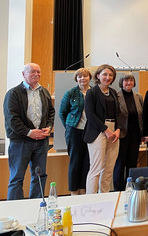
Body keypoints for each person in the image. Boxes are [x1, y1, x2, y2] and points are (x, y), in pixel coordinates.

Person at [4, 63, 54, 200]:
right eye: (33, 72)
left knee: (40, 176)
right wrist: (29, 132)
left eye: (39, 72)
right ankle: (14, 212)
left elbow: (51, 112)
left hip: (41, 142)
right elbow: (11, 119)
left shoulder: (44, 92)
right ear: (23, 74)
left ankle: (35, 208)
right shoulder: (13, 93)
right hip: (21, 142)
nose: (37, 74)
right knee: (17, 178)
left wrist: (49, 127)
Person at [84, 64, 121, 194]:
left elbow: (119, 114)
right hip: (97, 131)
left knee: (109, 168)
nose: (108, 77)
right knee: (97, 168)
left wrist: (118, 130)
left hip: (114, 131)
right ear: (98, 76)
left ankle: (104, 197)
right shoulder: (91, 92)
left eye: (111, 75)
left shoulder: (114, 92)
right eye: (105, 74)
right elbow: (90, 115)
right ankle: (91, 199)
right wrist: (106, 129)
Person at [59, 68, 91, 195]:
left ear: (90, 77)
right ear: (76, 79)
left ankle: (83, 189)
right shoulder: (70, 93)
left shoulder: (94, 92)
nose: (82, 79)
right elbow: (62, 112)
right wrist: (69, 127)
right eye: (79, 77)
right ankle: (73, 191)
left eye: (85, 76)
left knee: (87, 161)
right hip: (74, 131)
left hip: (89, 132)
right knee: (75, 161)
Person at [113, 74, 144, 191]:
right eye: (126, 81)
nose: (129, 83)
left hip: (135, 135)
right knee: (120, 164)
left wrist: (142, 133)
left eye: (131, 80)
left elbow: (142, 116)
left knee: (132, 163)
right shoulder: (116, 96)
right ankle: (118, 190)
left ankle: (131, 188)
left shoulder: (138, 96)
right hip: (121, 135)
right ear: (121, 82)